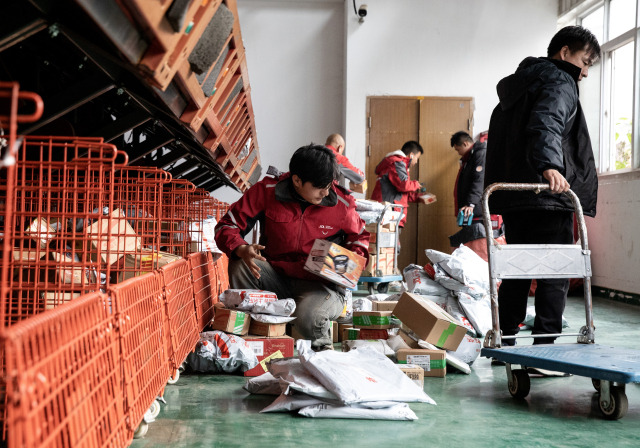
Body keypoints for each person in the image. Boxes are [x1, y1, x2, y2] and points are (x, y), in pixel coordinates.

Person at [484, 26, 600, 348]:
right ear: (564, 53)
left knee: (519, 270)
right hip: (548, 193)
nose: (586, 72)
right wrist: (549, 165)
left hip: (516, 197)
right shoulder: (560, 80)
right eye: (585, 61)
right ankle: (545, 347)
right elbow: (546, 120)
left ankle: (504, 341)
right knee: (555, 271)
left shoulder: (519, 87)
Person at [214, 144, 369, 351]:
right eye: (319, 186)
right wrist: (241, 248)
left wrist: (347, 265)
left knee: (309, 318)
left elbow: (360, 239)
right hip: (275, 278)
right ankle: (250, 343)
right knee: (240, 263)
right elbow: (226, 226)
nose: (325, 192)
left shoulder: (341, 203)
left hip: (320, 287)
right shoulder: (267, 191)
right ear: (296, 180)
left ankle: (324, 355)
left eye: (329, 185)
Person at [448, 131, 505, 261]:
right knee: (470, 242)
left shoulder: (480, 154)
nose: (458, 152)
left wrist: (471, 203)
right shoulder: (469, 157)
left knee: (478, 243)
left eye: (458, 149)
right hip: (473, 209)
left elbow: (479, 180)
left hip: (477, 210)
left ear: (465, 143)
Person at [371, 140, 428, 228]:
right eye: (417, 158)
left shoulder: (401, 165)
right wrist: (415, 184)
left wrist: (420, 197)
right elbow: (404, 186)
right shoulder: (397, 163)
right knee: (388, 241)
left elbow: (402, 194)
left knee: (392, 241)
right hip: (388, 214)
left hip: (391, 213)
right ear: (411, 155)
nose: (416, 162)